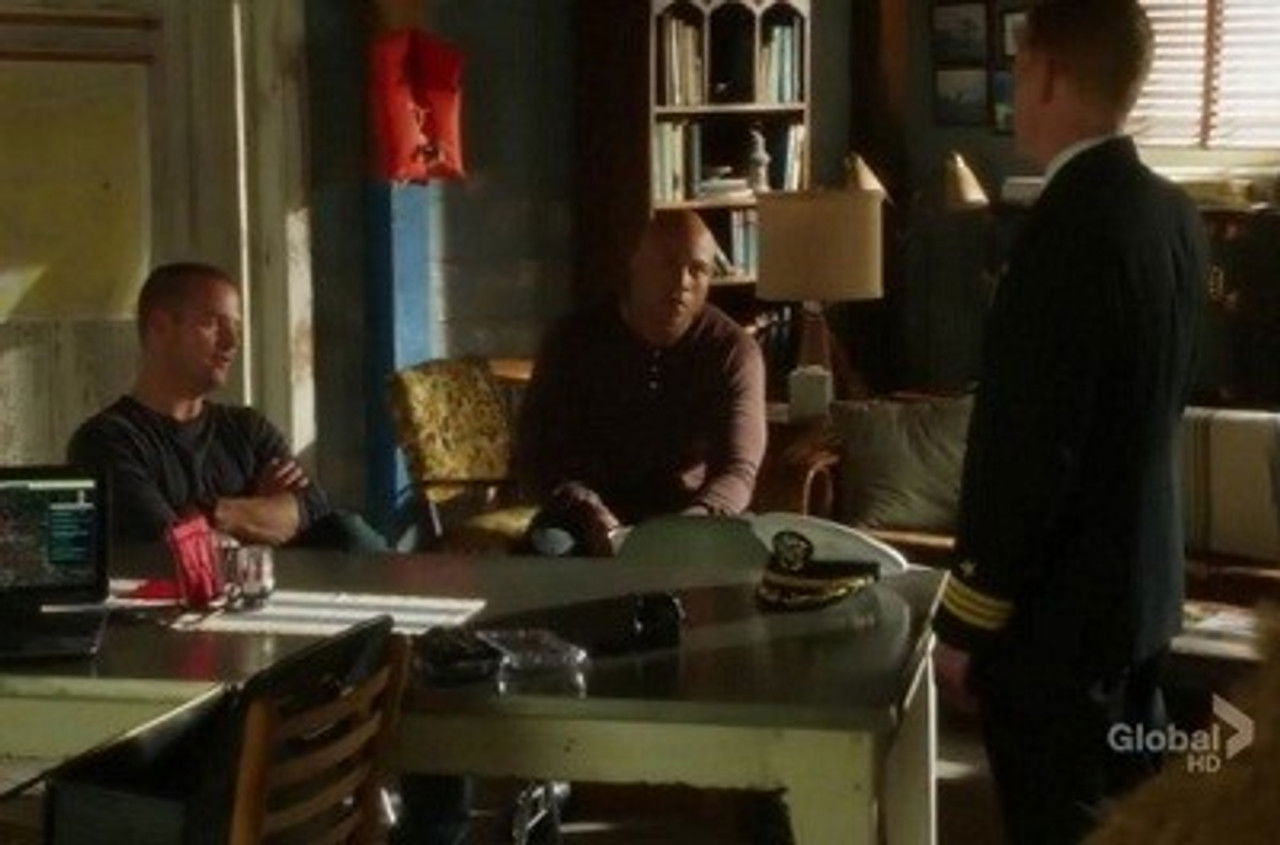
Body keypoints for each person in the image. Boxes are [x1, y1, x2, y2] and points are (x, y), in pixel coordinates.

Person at [930, 2, 1209, 843]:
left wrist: (968, 620)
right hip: (1143, 595)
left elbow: (1030, 451)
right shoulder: (1172, 214)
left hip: (1060, 623)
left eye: (1019, 72)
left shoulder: (1060, 232)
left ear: (1047, 73)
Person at [68, 262, 381, 553]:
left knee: (348, 532)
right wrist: (262, 510)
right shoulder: (106, 441)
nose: (231, 343)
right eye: (212, 324)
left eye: (236, 327)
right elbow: (173, 542)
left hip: (276, 594)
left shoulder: (248, 429)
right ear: (160, 327)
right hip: (177, 597)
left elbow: (312, 508)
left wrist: (215, 513)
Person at [516, 210, 767, 554]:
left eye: (697, 270)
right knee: (546, 550)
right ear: (636, 263)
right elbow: (537, 454)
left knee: (747, 554)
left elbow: (738, 469)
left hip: (689, 514)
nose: (682, 281)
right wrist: (585, 507)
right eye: (668, 263)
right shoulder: (573, 339)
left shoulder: (732, 350)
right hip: (583, 514)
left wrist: (693, 521)